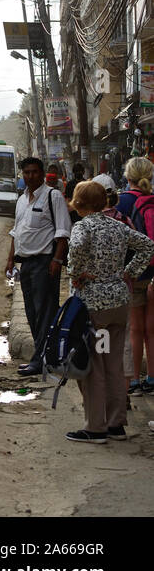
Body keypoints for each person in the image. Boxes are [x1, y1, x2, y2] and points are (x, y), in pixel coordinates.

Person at [62, 181, 154, 443]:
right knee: (113, 363)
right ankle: (116, 424)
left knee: (94, 365)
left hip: (95, 307)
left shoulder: (83, 226)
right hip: (118, 304)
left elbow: (77, 248)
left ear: (79, 204)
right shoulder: (118, 226)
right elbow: (148, 245)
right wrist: (129, 274)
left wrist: (76, 273)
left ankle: (95, 427)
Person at [7, 157, 72, 377]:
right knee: (32, 312)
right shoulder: (21, 200)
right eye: (26, 172)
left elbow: (63, 233)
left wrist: (57, 261)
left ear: (42, 174)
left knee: (45, 313)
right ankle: (43, 356)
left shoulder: (53, 197)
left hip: (45, 263)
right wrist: (10, 259)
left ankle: (41, 360)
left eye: (34, 172)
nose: (30, 176)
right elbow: (16, 232)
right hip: (25, 264)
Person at [116, 157, 154, 396]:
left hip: (133, 274)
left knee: (133, 328)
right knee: (152, 329)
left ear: (127, 176)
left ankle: (132, 382)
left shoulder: (122, 202)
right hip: (153, 274)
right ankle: (151, 378)